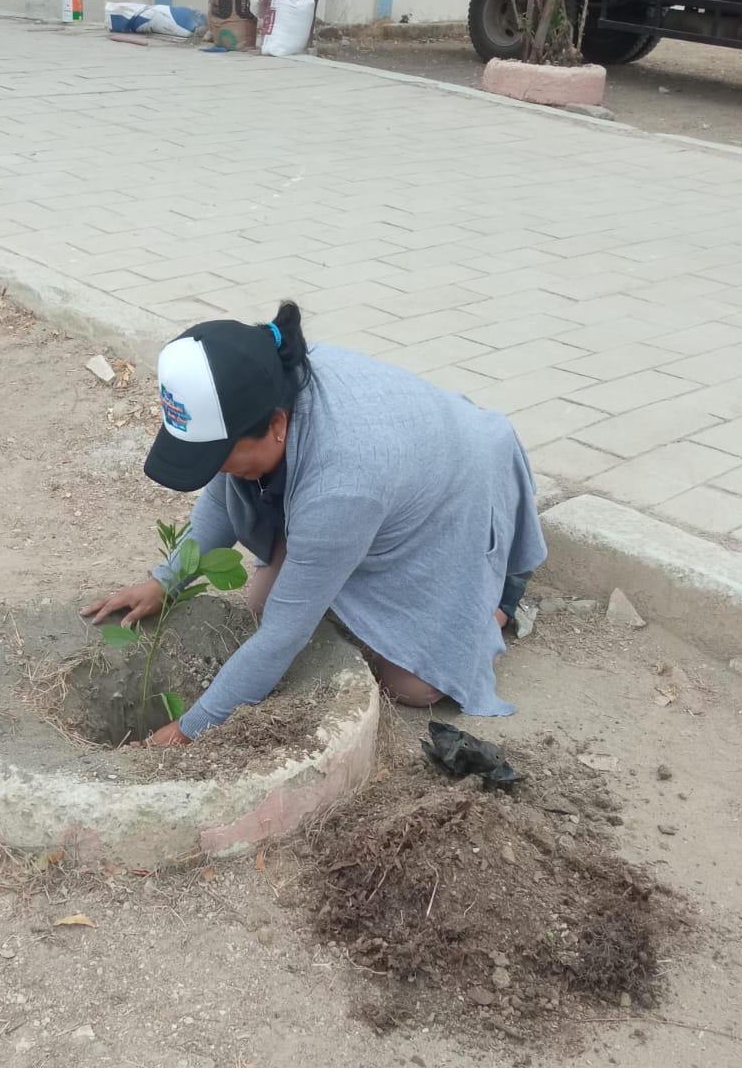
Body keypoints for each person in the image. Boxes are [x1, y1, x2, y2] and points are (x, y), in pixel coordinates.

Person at [81, 302, 546, 747]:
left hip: (459, 495)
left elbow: (285, 635)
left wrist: (190, 729)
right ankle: (343, 565)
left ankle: (502, 595)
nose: (216, 470)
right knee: (261, 604)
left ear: (277, 425)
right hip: (390, 484)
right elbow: (223, 498)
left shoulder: (343, 483)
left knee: (413, 687)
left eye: (220, 456)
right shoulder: (266, 377)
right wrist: (164, 581)